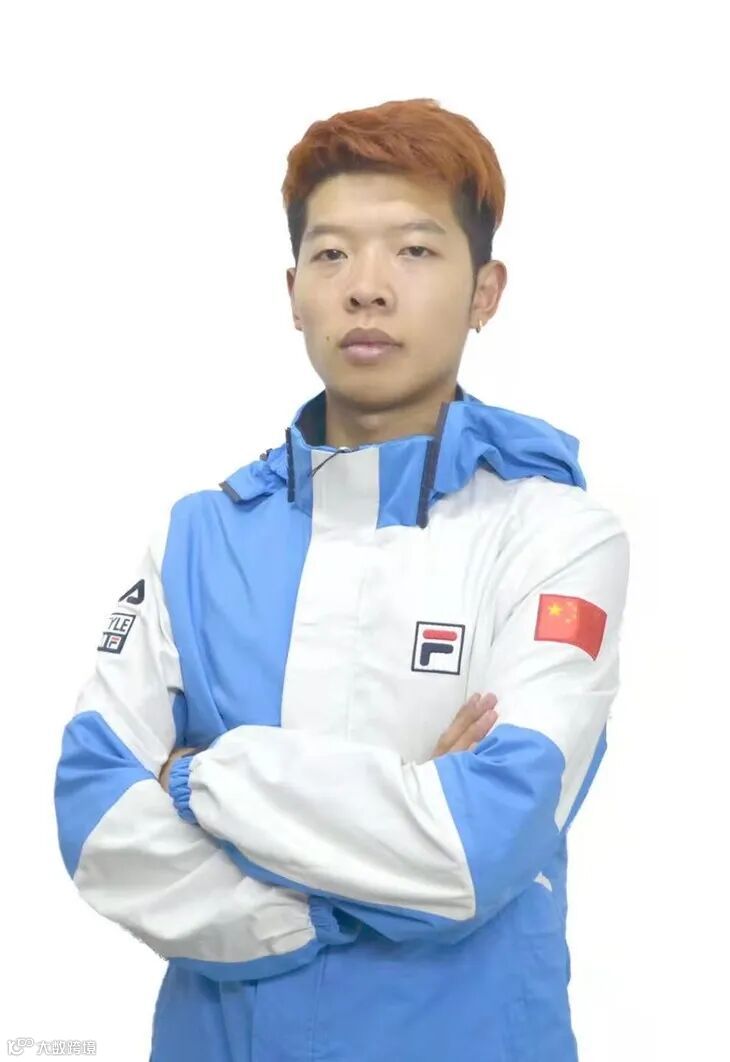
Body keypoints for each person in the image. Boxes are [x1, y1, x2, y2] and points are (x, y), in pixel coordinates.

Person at [53, 97, 630, 1061]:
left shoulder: (555, 536)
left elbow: (477, 845)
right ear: (293, 292)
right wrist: (363, 876)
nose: (366, 288)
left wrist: (196, 776)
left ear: (485, 292)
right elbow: (96, 815)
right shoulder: (197, 538)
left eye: (414, 250)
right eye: (331, 254)